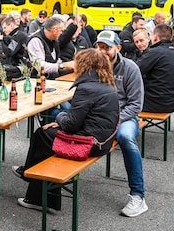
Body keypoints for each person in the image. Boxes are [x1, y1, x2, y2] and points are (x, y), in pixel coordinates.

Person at [13, 48, 119, 213]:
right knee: (47, 135)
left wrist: (60, 118)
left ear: (84, 65)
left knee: (42, 135)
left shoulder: (87, 88)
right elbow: (80, 119)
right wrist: (63, 122)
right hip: (102, 141)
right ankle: (30, 176)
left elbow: (71, 124)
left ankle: (37, 193)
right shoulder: (106, 84)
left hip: (88, 145)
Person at [94, 30, 147, 217]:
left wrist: (115, 120)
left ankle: (138, 196)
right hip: (99, 117)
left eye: (107, 48)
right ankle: (46, 187)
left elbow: (135, 105)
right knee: (61, 121)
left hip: (124, 117)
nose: (102, 52)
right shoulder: (93, 67)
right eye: (99, 47)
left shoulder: (130, 68)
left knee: (125, 137)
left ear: (118, 48)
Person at [136, 24, 174, 113]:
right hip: (171, 102)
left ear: (155, 37)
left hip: (155, 103)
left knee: (122, 101)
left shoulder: (155, 52)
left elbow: (135, 71)